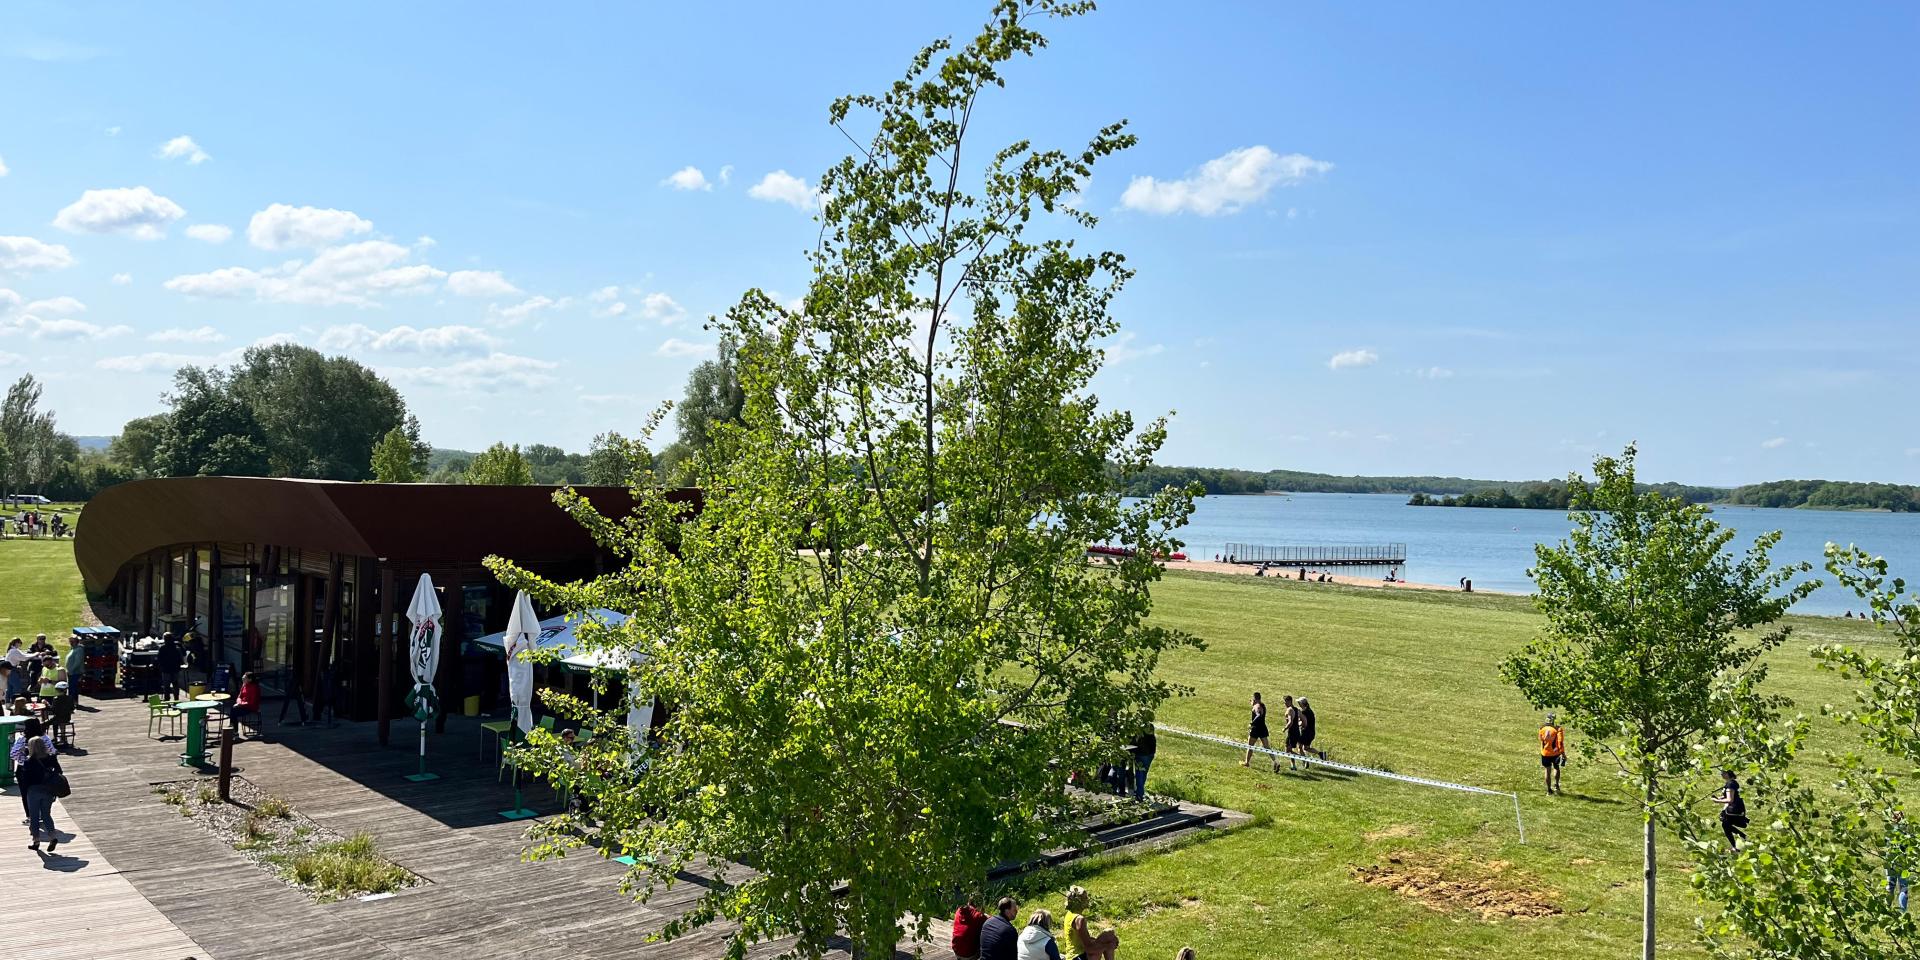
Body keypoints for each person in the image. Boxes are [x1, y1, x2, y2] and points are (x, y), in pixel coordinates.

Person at [19, 736, 62, 853]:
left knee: (34, 817)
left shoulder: (29, 762)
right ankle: (53, 836)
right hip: (48, 790)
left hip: (33, 791)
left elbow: (25, 780)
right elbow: (59, 772)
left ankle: (36, 841)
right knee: (46, 815)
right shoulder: (51, 759)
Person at [11, 717, 55, 823]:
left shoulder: (22, 739)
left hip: (25, 769)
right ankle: (42, 814)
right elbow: (52, 751)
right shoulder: (45, 738)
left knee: (25, 793)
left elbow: (13, 754)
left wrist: (23, 758)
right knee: (43, 791)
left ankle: (30, 816)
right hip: (42, 769)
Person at [1063, 886, 1119, 960]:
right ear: (1078, 901)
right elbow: (1089, 949)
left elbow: (1082, 940)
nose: (1088, 900)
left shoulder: (1069, 914)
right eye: (1085, 898)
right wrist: (1108, 946)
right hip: (1078, 957)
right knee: (1106, 940)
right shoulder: (1079, 919)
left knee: (1109, 933)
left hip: (1073, 956)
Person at [1242, 692, 1278, 772]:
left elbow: (1258, 715)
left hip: (1255, 729)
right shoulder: (1262, 705)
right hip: (1263, 728)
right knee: (1267, 747)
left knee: (1250, 746)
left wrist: (1252, 723)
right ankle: (1276, 761)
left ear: (1254, 699)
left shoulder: (1256, 706)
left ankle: (1247, 762)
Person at [1713, 770, 1748, 849]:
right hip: (1736, 808)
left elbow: (1730, 799)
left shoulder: (1730, 784)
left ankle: (1738, 843)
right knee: (1726, 825)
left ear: (1728, 774)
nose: (1721, 774)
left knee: (1725, 825)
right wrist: (1720, 798)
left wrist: (1717, 801)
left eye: (1723, 773)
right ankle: (1741, 840)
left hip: (1734, 809)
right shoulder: (1732, 782)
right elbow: (1732, 795)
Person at [980, 896, 1021, 960]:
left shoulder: (987, 922)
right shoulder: (1010, 930)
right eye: (1014, 909)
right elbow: (1013, 956)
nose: (1017, 911)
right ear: (1007, 910)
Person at [1889, 810, 1913, 913]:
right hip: (1903, 862)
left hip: (1891, 862)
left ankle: (1886, 909)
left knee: (1890, 887)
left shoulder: (1889, 831)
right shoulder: (1906, 832)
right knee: (1903, 889)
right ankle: (1903, 912)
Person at [952, 892, 987, 960]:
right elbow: (991, 921)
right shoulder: (979, 916)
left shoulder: (959, 910)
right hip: (969, 954)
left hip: (956, 949)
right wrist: (983, 913)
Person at [1538, 713, 1566, 795]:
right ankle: (1556, 786)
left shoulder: (1541, 728)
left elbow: (1540, 739)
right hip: (1555, 753)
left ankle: (1549, 790)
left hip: (1545, 753)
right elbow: (1560, 742)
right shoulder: (1558, 729)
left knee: (1547, 770)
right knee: (1556, 768)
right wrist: (1563, 754)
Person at [1129, 720, 1156, 802]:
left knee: (1139, 775)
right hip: (1149, 755)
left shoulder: (1139, 736)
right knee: (1143, 774)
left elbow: (1133, 745)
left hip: (1140, 755)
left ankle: (1139, 794)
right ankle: (1140, 792)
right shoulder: (1152, 736)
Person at [1296, 696, 1326, 761]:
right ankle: (1320, 753)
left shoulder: (1304, 712)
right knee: (1306, 748)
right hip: (1311, 733)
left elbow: (1303, 723)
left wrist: (1297, 724)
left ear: (1302, 704)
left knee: (1300, 747)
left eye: (1299, 703)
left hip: (1305, 733)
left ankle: (1305, 761)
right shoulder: (1310, 710)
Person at [155, 634, 185, 699]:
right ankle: (176, 698)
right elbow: (182, 659)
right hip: (175, 668)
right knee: (175, 684)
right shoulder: (177, 648)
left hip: (166, 669)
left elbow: (159, 659)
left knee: (166, 685)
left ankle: (167, 698)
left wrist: (160, 667)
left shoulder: (162, 648)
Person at [1281, 695, 1303, 770]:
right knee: (1289, 750)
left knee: (1287, 751)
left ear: (1289, 701)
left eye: (1285, 702)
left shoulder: (1289, 710)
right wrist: (1301, 725)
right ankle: (1293, 766)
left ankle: (1303, 759)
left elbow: (1290, 722)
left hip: (1292, 732)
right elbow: (1304, 720)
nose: (1285, 704)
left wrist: (1285, 728)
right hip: (1297, 732)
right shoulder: (1297, 710)